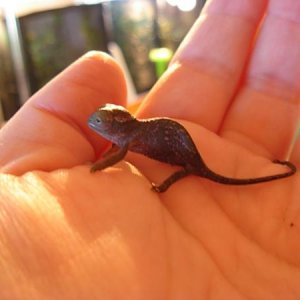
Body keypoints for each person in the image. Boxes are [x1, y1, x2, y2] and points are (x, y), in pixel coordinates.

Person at [0, 0, 299, 298]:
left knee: (190, 172)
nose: (97, 125)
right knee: (189, 171)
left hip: (186, 156)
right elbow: (116, 149)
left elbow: (117, 155)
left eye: (103, 122)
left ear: (118, 124)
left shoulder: (127, 138)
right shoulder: (127, 134)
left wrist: (98, 168)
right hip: (177, 149)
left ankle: (175, 180)